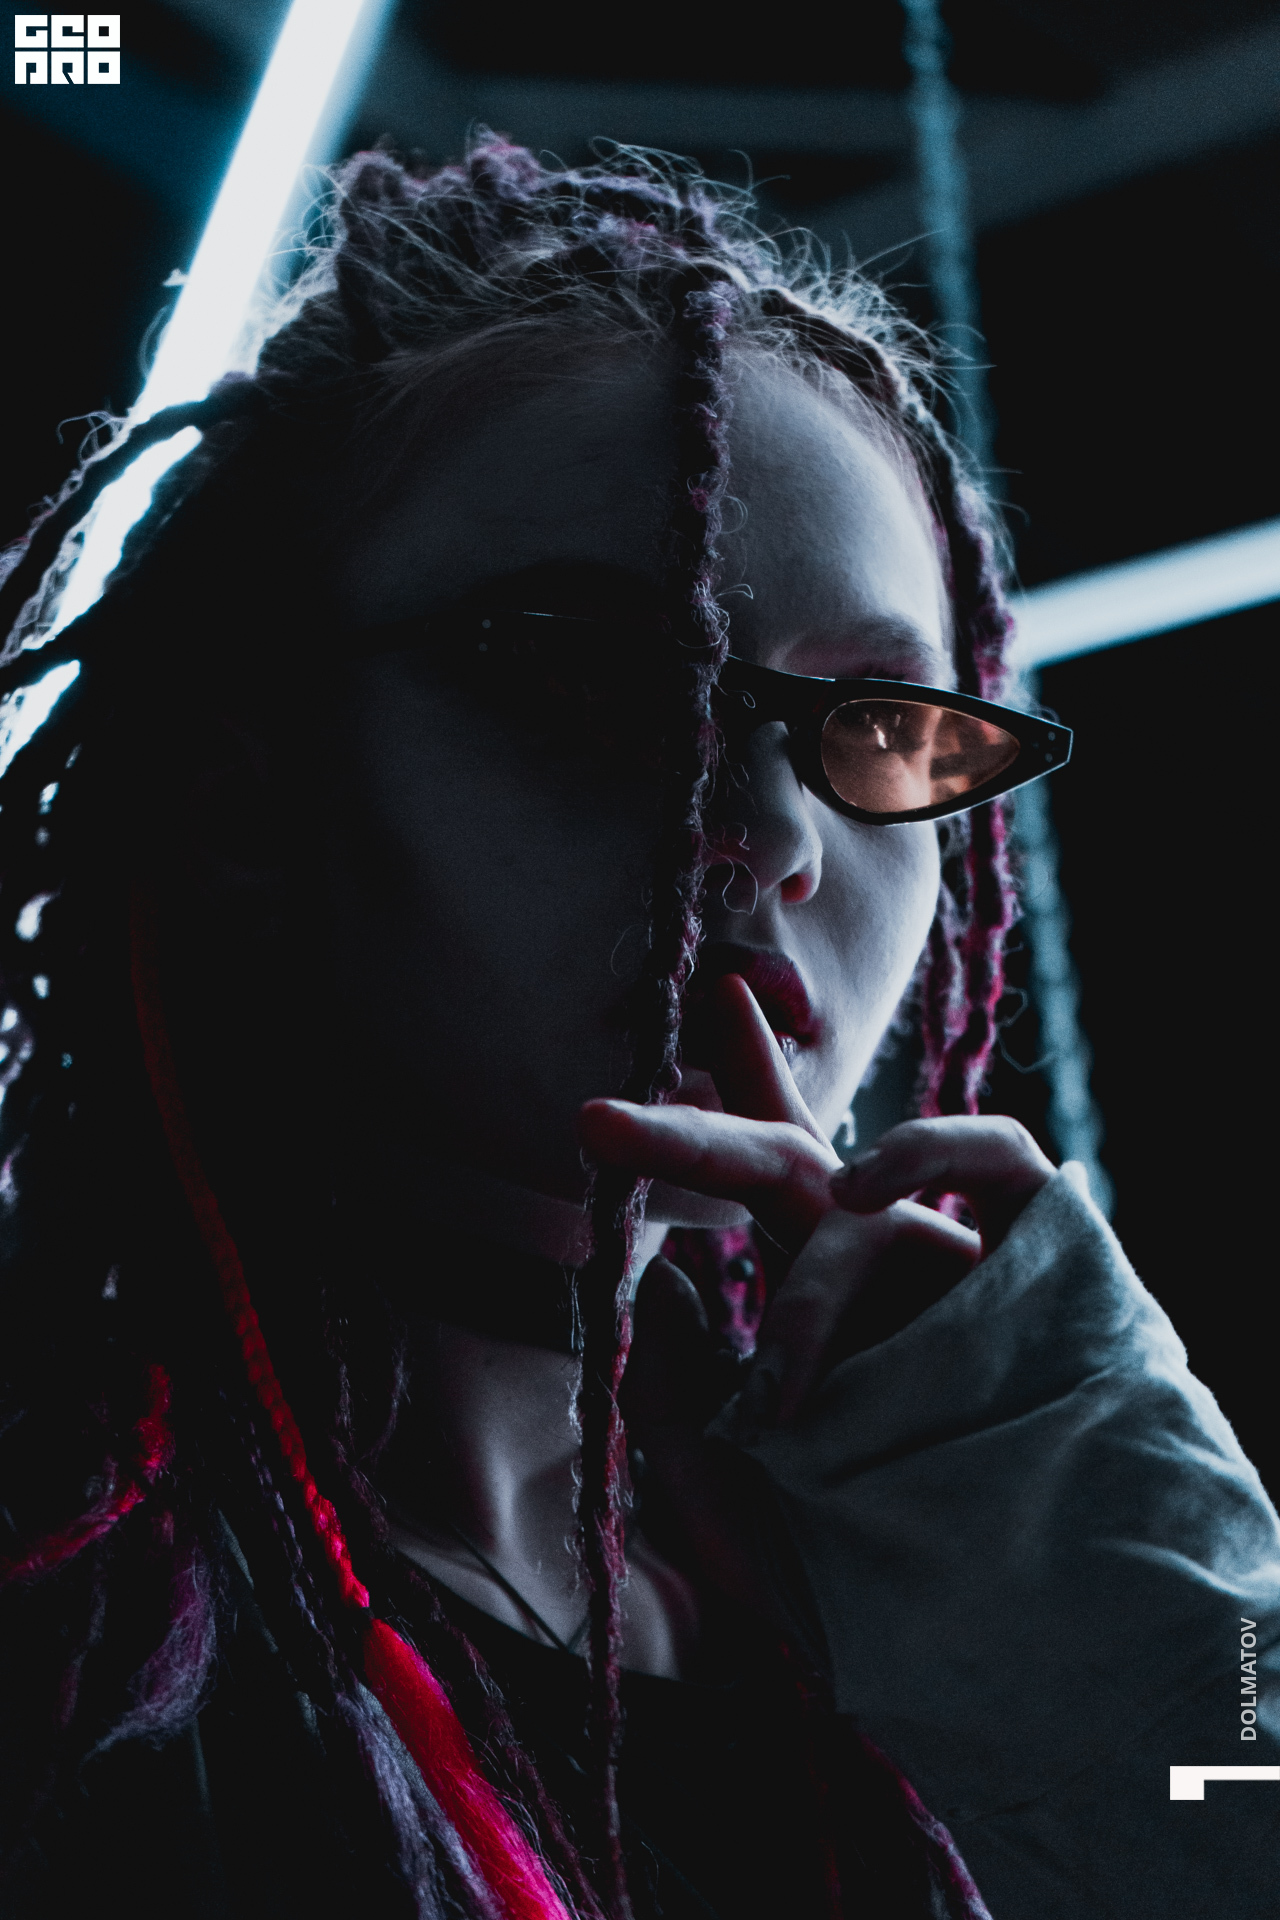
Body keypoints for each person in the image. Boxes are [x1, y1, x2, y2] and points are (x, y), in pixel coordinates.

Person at [0, 141, 1274, 1920]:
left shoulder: (909, 1591)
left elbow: (1239, 1804)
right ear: (242, 794)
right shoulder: (64, 1593)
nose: (765, 827)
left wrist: (1155, 1600)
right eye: (590, 670)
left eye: (880, 727)